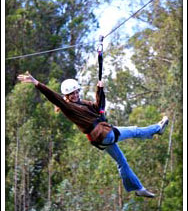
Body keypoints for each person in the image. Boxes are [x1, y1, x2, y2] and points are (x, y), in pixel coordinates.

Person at [17, 71, 169, 198]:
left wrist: (100, 90)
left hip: (101, 138)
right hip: (104, 134)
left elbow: (99, 107)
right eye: (72, 93)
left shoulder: (84, 104)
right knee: (135, 130)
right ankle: (157, 129)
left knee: (121, 162)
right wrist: (36, 82)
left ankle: (138, 189)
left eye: (76, 92)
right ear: (67, 96)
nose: (75, 95)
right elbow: (53, 96)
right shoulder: (68, 107)